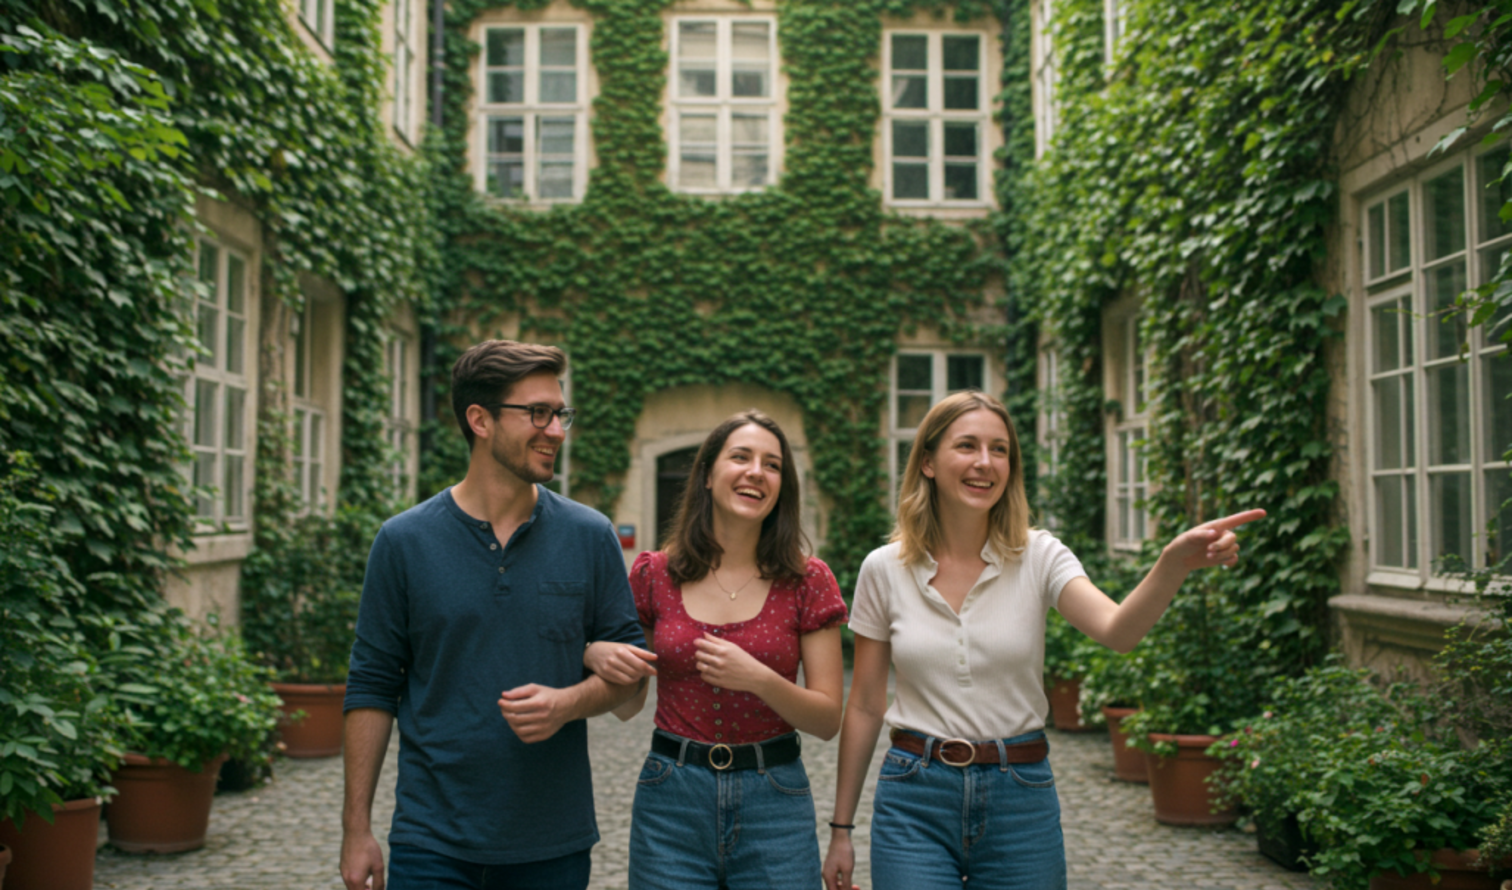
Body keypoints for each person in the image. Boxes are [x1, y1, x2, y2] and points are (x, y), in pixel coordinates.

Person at [821, 391, 1265, 890]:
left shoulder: (1040, 556)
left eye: (1000, 449)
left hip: (1020, 796)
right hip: (914, 796)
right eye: (967, 446)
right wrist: (841, 830)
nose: (985, 463)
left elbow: (1118, 631)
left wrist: (1173, 563)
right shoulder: (884, 569)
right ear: (927, 461)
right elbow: (863, 705)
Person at [339, 340, 648, 890]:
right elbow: (372, 685)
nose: (556, 429)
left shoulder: (590, 536)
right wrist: (356, 827)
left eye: (560, 414)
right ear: (479, 420)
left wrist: (567, 703)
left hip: (551, 844)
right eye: (537, 413)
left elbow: (631, 691)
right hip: (430, 841)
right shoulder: (403, 541)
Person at [585, 409, 847, 890]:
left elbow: (828, 719)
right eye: (741, 457)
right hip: (671, 797)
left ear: (782, 487)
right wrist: (600, 658)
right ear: (707, 475)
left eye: (772, 465)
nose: (756, 472)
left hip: (776, 798)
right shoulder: (653, 575)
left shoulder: (808, 580)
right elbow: (628, 707)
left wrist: (760, 679)